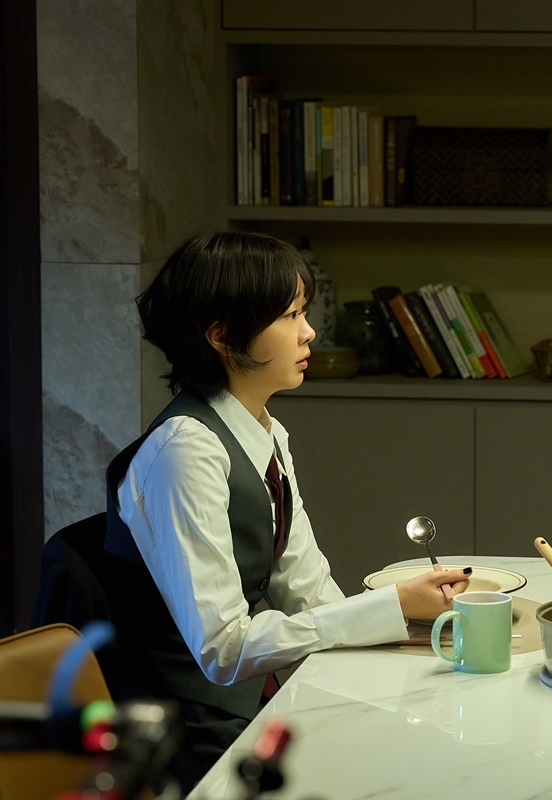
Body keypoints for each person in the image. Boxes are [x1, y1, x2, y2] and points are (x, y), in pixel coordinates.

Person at [101, 231, 471, 791]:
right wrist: (390, 607)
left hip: (263, 698)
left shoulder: (265, 432)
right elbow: (223, 649)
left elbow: (307, 588)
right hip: (201, 731)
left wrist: (395, 626)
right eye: (289, 315)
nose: (309, 331)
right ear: (222, 336)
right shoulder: (185, 450)